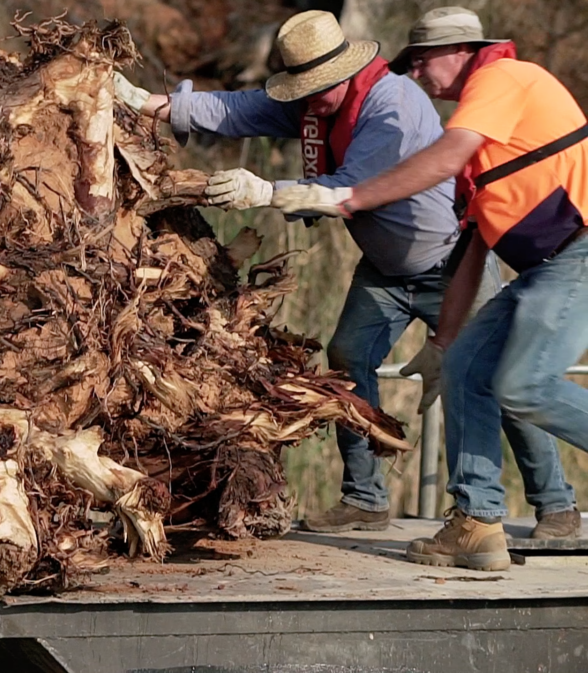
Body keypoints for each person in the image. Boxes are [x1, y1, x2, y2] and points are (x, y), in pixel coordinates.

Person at [113, 9, 577, 537]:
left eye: (317, 87)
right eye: (302, 88)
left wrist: (267, 191)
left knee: (493, 376)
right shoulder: (316, 104)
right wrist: (163, 104)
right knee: (348, 360)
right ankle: (365, 497)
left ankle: (555, 505)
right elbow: (246, 107)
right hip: (384, 269)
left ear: (346, 74)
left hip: (452, 264)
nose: (309, 99)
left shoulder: (393, 106)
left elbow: (355, 185)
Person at [275, 6, 588, 570]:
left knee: (526, 386)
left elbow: (443, 160)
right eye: (411, 65)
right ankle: (476, 524)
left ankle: (552, 504)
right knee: (468, 368)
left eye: (423, 62)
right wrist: (443, 345)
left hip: (576, 254)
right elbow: (472, 249)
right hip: (541, 267)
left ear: (464, 51)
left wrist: (345, 197)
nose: (417, 75)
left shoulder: (500, 78)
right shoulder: (484, 139)